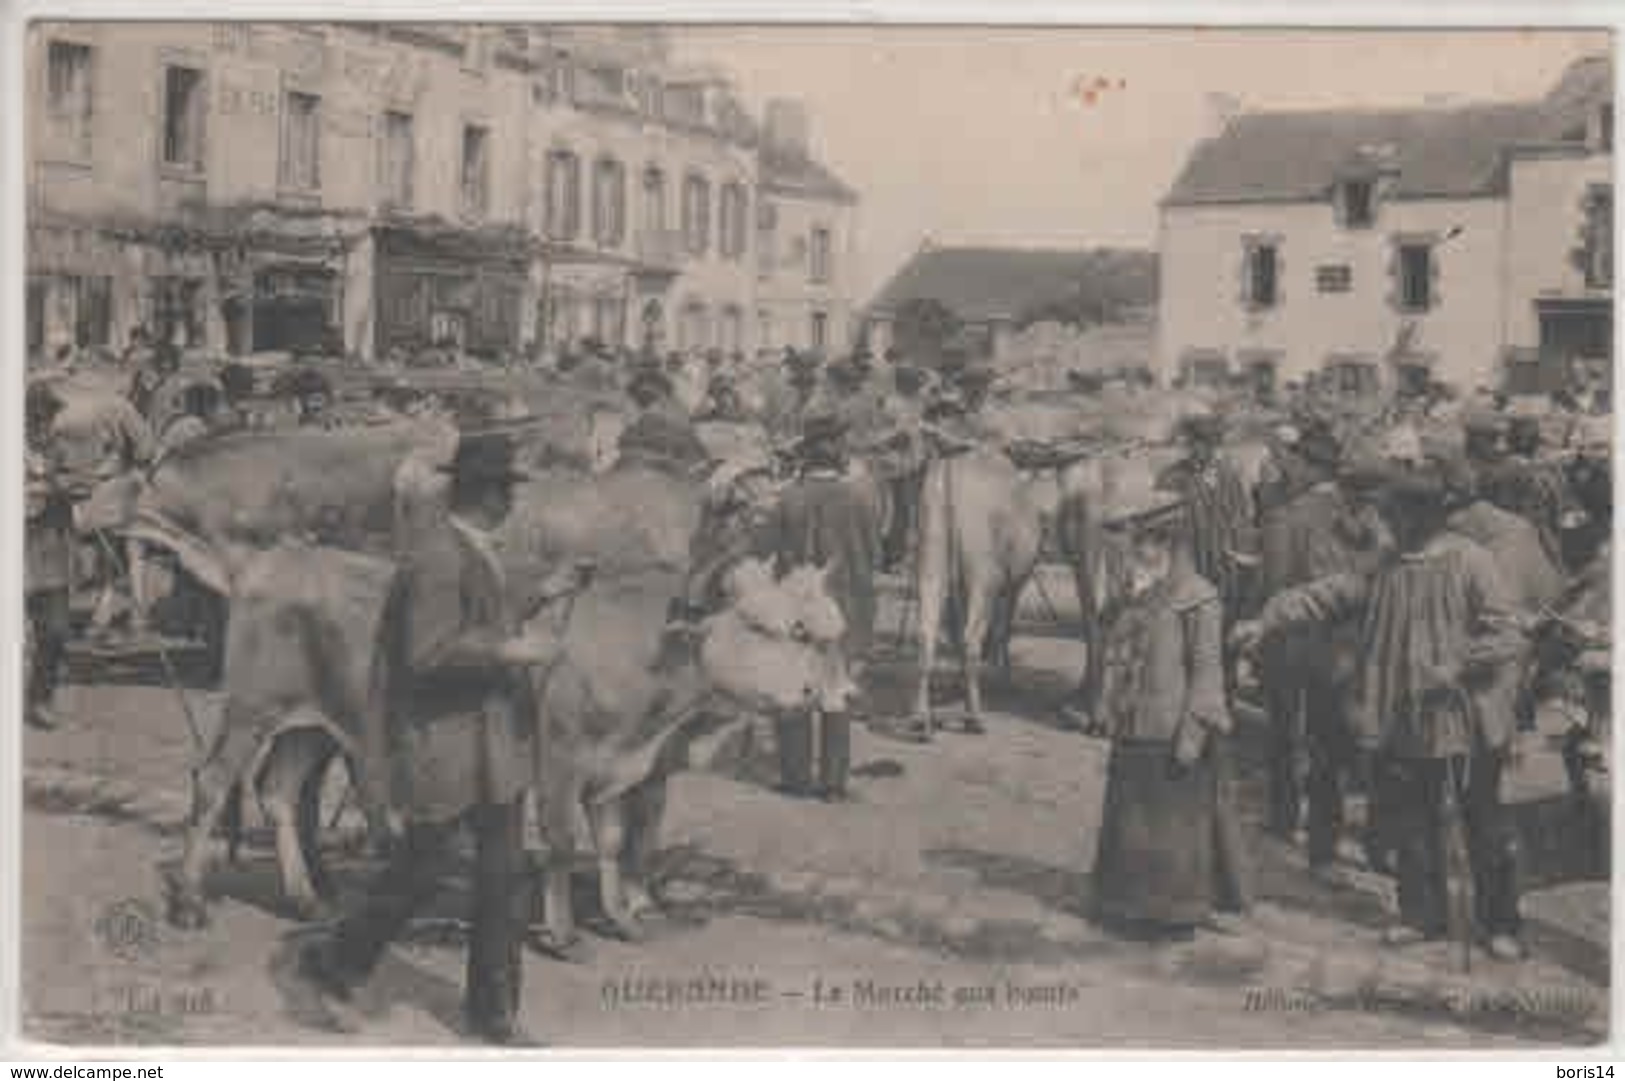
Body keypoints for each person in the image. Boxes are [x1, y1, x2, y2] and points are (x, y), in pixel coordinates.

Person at [293, 422, 589, 1044]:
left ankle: (493, 1012)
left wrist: (544, 591)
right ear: (489, 495)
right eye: (507, 490)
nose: (514, 501)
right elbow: (429, 653)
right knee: (419, 872)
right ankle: (339, 958)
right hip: (446, 745)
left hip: (494, 747)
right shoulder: (435, 557)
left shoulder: (471, 549)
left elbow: (483, 612)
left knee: (504, 877)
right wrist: (513, 653)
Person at [1238, 460, 1528, 960]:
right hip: (1405, 721)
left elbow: (1508, 634)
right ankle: (1422, 916)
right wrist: (1265, 620)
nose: (1384, 523)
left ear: (1423, 517)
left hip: (1468, 722)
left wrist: (1457, 663)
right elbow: (1326, 594)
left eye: (1392, 515)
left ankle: (1501, 923)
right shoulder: (1388, 564)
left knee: (1483, 821)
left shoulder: (1470, 562)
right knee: (1410, 820)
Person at [1089, 483, 1249, 938]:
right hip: (1133, 725)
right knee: (1129, 818)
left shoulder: (1199, 597)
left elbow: (1206, 671)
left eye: (1151, 541)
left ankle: (1172, 913)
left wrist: (1193, 735)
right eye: (1138, 540)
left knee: (1173, 827)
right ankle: (1124, 903)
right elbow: (1113, 640)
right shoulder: (1136, 590)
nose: (1140, 549)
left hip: (1174, 730)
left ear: (1173, 545)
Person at [1254, 423, 1385, 868]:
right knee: (1348, 743)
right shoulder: (1380, 522)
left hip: (1296, 644)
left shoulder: (1288, 516)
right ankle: (1352, 844)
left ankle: (1287, 819)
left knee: (1289, 734)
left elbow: (1271, 584)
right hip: (1354, 651)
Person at [754, 413, 879, 802]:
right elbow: (873, 554)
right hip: (841, 609)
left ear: (806, 458)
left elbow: (763, 551)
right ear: (838, 456)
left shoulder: (788, 498)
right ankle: (834, 783)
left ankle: (795, 778)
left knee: (793, 688)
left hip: (796, 607)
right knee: (835, 691)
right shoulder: (858, 497)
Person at [1155, 413, 1257, 630]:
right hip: (1186, 558)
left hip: (1222, 560)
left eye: (1207, 444)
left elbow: (1240, 517)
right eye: (1195, 443)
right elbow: (1160, 526)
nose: (1199, 449)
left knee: (1223, 618)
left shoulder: (1227, 476)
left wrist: (1238, 551)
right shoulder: (1171, 477)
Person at [25, 384, 76, 731]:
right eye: (40, 415)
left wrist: (66, 487)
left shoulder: (59, 450)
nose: (47, 422)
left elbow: (76, 483)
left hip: (51, 554)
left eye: (51, 415)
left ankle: (40, 698)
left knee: (55, 632)